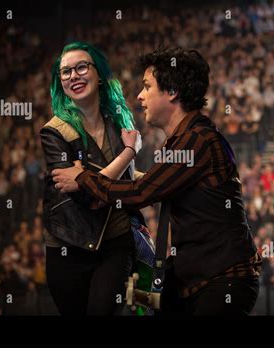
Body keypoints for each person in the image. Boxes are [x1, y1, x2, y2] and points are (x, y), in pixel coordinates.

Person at [52, 47, 262, 316]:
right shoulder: (185, 141)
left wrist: (82, 178)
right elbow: (153, 183)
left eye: (147, 87)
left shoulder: (197, 141)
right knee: (140, 301)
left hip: (223, 283)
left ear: (172, 92)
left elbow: (142, 192)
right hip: (196, 282)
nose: (139, 96)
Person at [40, 41, 147, 316]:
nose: (73, 76)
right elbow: (87, 195)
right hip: (68, 245)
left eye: (81, 67)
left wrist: (91, 179)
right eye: (65, 72)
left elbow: (113, 181)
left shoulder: (120, 121)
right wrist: (128, 153)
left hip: (116, 241)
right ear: (60, 82)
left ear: (99, 74)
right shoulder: (53, 131)